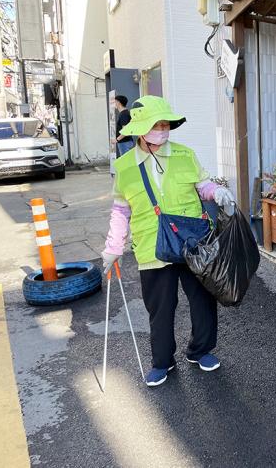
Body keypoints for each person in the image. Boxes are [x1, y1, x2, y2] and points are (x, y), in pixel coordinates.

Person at [101, 95, 235, 387]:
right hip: (151, 245)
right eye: (156, 125)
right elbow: (120, 212)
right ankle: (162, 362)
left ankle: (200, 351)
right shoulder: (124, 167)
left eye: (165, 124)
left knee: (202, 300)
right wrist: (113, 248)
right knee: (161, 308)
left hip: (191, 242)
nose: (162, 130)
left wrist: (217, 192)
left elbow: (203, 186)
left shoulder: (185, 155)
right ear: (140, 130)